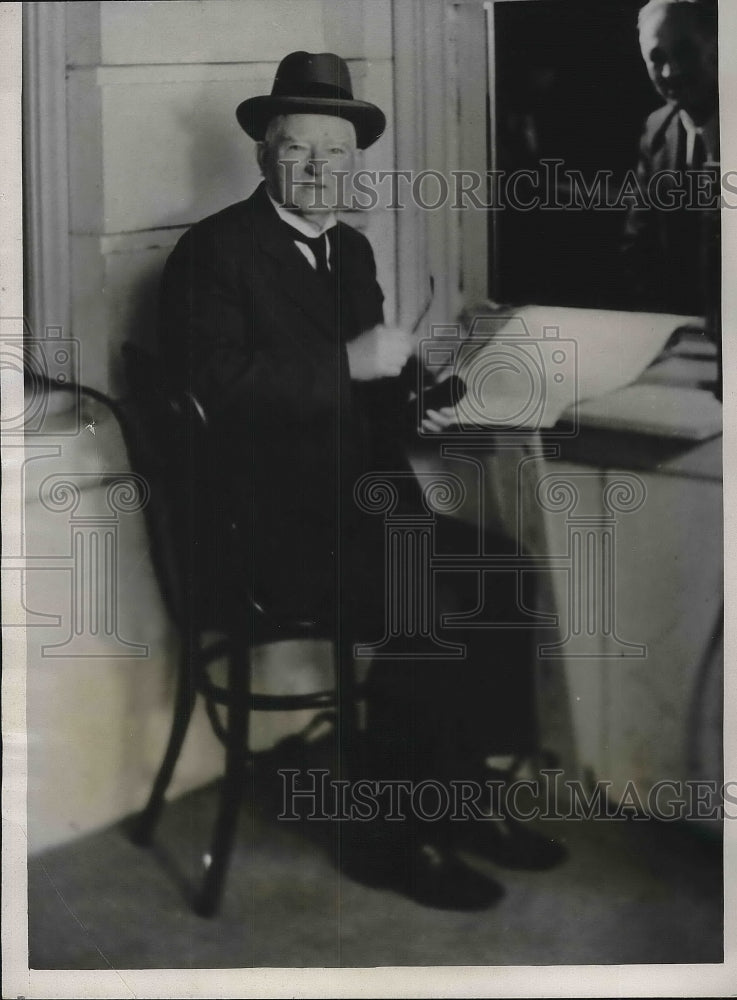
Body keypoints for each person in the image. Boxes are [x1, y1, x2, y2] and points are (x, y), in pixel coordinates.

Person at [159, 51, 564, 911]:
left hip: (357, 513)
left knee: (505, 573)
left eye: (336, 153)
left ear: (354, 163)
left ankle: (466, 798)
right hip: (261, 533)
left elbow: (377, 391)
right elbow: (214, 390)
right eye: (298, 149)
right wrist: (346, 361)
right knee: (427, 599)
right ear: (263, 154)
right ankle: (393, 839)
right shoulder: (213, 253)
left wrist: (443, 398)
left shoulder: (351, 250)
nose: (319, 169)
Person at [622, 0, 719, 315]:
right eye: (657, 58)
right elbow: (638, 247)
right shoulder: (657, 130)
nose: (671, 71)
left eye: (685, 52)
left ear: (716, 46)